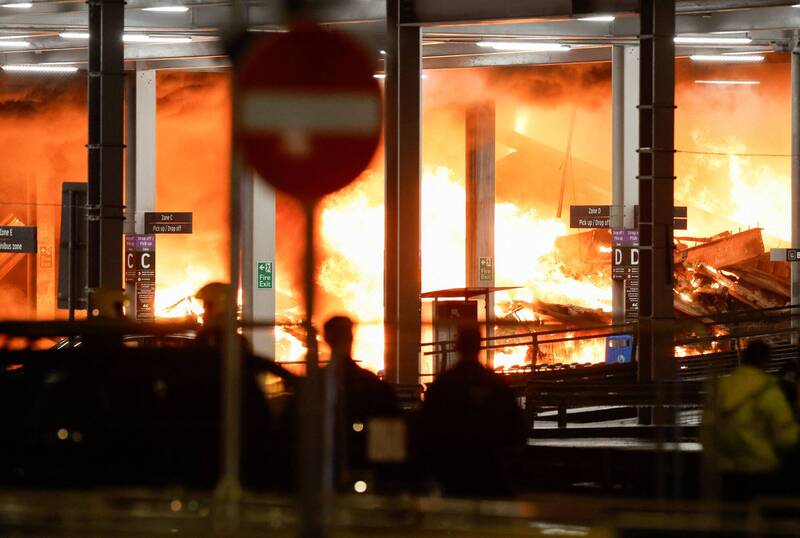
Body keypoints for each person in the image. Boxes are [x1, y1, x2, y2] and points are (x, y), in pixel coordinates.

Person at [418, 322, 527, 498]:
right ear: (480, 346)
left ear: (457, 346)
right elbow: (517, 429)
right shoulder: (497, 385)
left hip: (454, 474)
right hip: (491, 473)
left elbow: (425, 430)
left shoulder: (443, 386)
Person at [702, 340, 799, 500]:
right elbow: (786, 436)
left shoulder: (722, 386)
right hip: (759, 467)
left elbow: (707, 428)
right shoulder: (767, 388)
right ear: (765, 361)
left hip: (724, 468)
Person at [322, 316, 400, 490]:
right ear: (351, 337)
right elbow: (390, 443)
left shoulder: (314, 385)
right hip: (365, 472)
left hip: (323, 475)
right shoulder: (373, 386)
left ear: (326, 339)